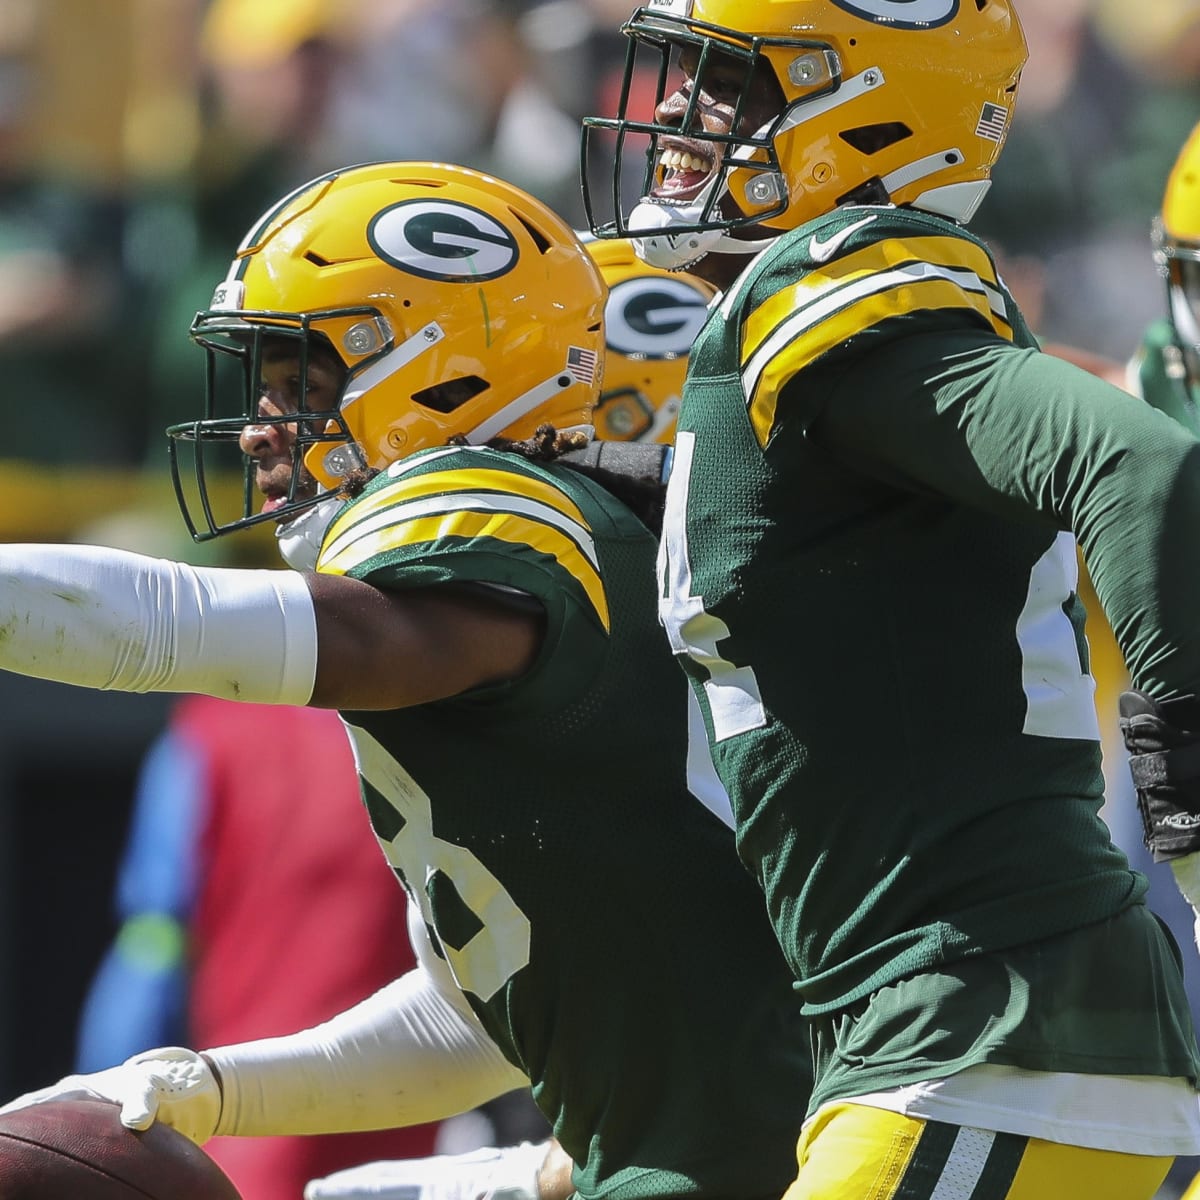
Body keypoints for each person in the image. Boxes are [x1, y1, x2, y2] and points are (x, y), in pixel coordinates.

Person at [0, 161, 810, 1200]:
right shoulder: (567, 567)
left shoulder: (496, 520)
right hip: (710, 1145)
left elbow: (193, 627)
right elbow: (486, 1005)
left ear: (436, 372)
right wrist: (211, 1087)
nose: (259, 426)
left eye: (298, 383)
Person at [579, 3, 1200, 1198]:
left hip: (983, 1045)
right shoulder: (791, 343)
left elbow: (1140, 464)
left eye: (724, 87)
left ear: (860, 110)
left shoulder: (837, 292)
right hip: (954, 1043)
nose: (669, 113)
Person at [73, 697, 442, 1200]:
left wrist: (98, 1130)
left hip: (247, 1145)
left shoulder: (212, 737)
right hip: (407, 1157)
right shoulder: (449, 734)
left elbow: (152, 947)